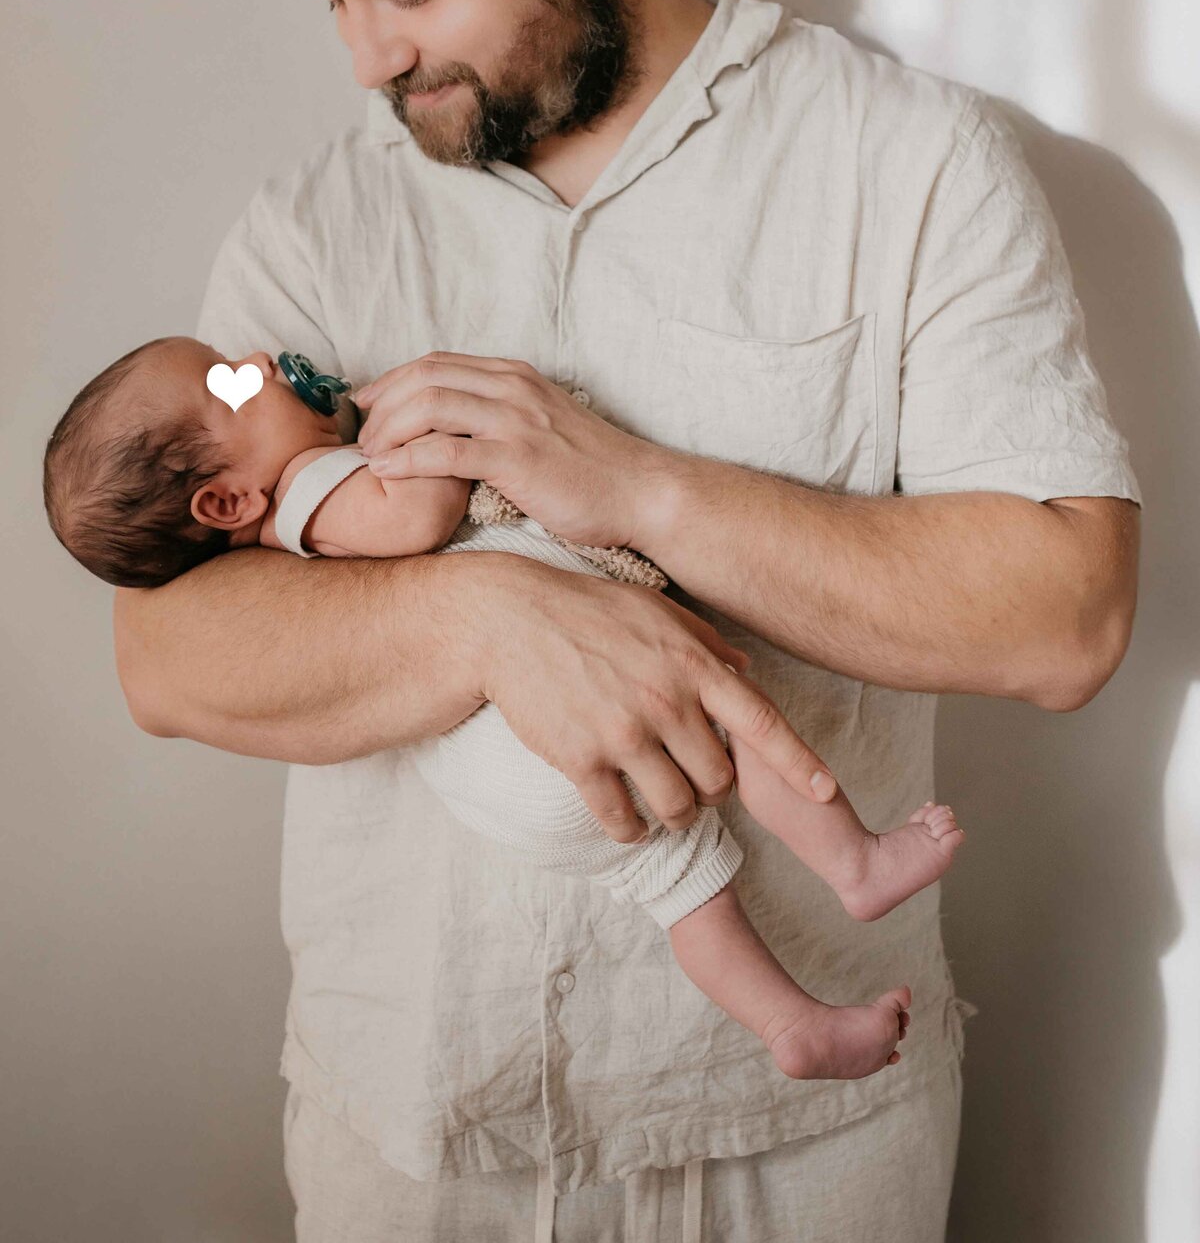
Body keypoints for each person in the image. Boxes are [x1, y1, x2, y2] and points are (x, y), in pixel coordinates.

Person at [111, 0, 1141, 1242]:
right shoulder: (313, 230)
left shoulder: (907, 163)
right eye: (330, 3)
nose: (367, 57)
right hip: (413, 1134)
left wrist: (639, 489)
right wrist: (487, 614)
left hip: (801, 1146)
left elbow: (1064, 615)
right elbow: (170, 658)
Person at [46, 333, 970, 1081]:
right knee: (732, 717)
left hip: (506, 778)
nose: (253, 359)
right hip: (532, 736)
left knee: (682, 887)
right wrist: (424, 436)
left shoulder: (294, 499)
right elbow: (417, 521)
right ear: (224, 500)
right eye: (227, 384)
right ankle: (852, 859)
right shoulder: (311, 491)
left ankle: (790, 1023)